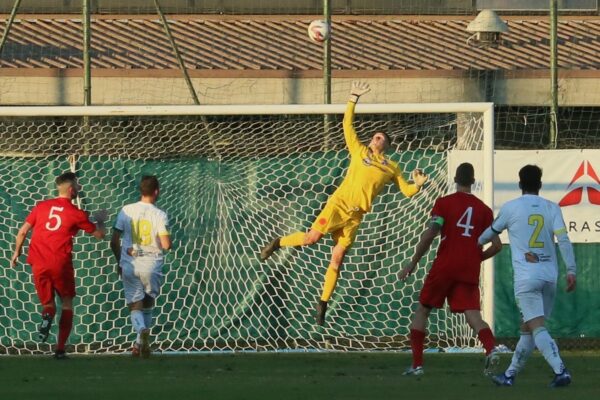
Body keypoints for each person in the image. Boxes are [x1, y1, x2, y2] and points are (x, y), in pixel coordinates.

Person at [260, 81, 428, 326]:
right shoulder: (359, 151)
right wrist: (353, 98)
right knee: (311, 239)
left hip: (356, 217)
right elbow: (347, 125)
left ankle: (323, 303)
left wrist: (418, 185)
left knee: (337, 259)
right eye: (374, 136)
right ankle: (278, 242)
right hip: (338, 205)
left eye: (380, 137)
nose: (375, 138)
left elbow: (406, 191)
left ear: (386, 145)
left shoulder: (392, 167)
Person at [399, 162, 503, 376]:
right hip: (468, 268)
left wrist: (413, 262)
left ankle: (417, 365)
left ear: (455, 180)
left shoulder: (444, 203)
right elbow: (497, 246)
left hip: (445, 265)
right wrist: (476, 258)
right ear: (473, 182)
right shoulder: (484, 210)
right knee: (473, 314)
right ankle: (491, 349)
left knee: (423, 310)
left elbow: (430, 234)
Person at [478, 164, 576, 388]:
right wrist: (571, 270)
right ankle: (510, 375)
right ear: (540, 185)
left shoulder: (511, 207)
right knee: (528, 329)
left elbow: (488, 234)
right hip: (549, 277)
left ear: (520, 184)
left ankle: (561, 370)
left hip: (526, 278)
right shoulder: (552, 208)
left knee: (537, 327)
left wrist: (473, 244)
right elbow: (563, 240)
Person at [10, 172, 106, 359]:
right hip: (60, 262)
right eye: (77, 185)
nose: (79, 188)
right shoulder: (76, 213)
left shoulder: (41, 206)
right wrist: (101, 220)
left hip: (38, 261)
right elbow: (99, 234)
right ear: (71, 190)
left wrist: (16, 252)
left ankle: (47, 317)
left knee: (48, 304)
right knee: (67, 303)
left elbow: (22, 232)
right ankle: (60, 349)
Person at [110, 175, 171, 358]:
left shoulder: (126, 210)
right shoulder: (159, 214)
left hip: (130, 263)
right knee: (148, 303)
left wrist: (119, 261)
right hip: (152, 265)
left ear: (140, 191)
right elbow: (166, 245)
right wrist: (168, 244)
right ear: (156, 192)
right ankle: (140, 343)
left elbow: (114, 241)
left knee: (135, 306)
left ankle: (141, 333)